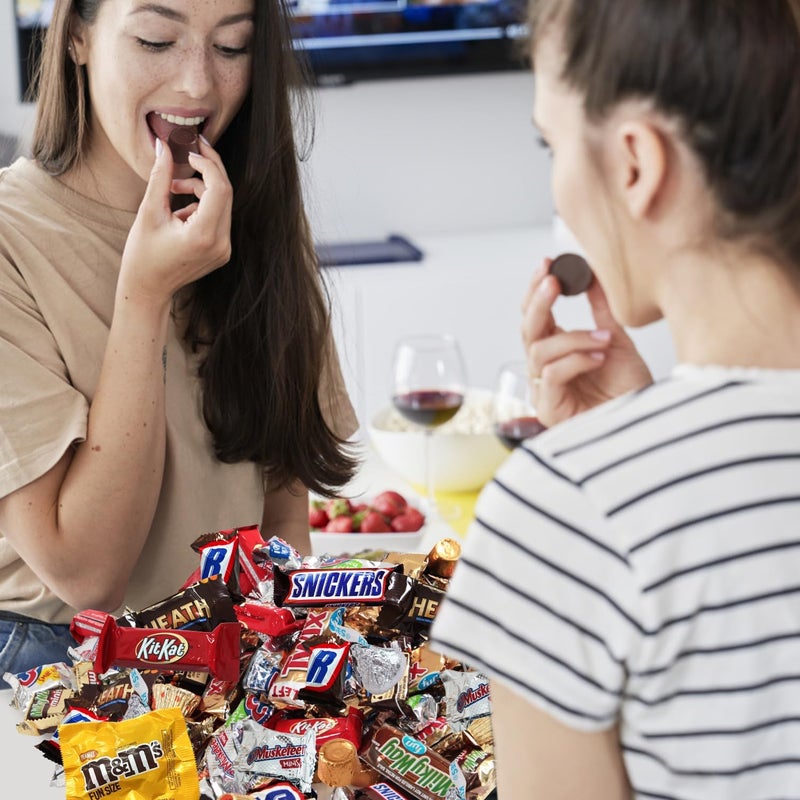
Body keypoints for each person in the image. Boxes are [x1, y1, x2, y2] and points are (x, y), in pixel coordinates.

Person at [430, 0, 800, 797]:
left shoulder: (563, 509)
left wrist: (610, 473)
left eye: (551, 142)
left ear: (636, 162)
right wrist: (643, 438)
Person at [0, 0, 359, 685]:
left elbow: (280, 510)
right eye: (157, 39)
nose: (197, 84)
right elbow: (86, 575)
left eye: (231, 47)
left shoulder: (252, 220)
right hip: (54, 666)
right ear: (78, 38)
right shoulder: (10, 241)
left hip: (233, 645)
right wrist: (144, 297)